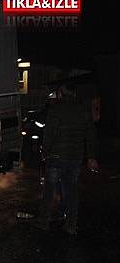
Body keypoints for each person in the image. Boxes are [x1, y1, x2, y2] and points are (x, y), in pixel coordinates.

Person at [35, 84, 98, 235]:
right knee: (71, 190)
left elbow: (49, 134)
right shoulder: (83, 111)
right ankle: (71, 224)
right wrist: (91, 157)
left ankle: (44, 221)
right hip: (75, 158)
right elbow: (90, 135)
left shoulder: (55, 110)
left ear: (60, 95)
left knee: (49, 189)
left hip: (56, 157)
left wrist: (45, 152)